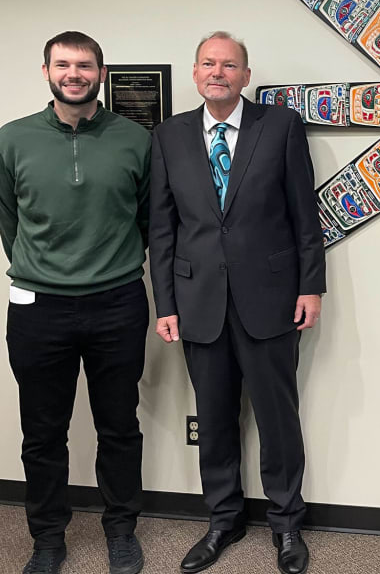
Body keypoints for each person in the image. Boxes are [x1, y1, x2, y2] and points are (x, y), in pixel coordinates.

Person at [149, 31, 325, 574]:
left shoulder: (280, 127)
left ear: (246, 76)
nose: (218, 72)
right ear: (195, 73)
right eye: (208, 63)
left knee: (277, 418)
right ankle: (222, 520)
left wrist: (310, 286)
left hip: (271, 299)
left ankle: (287, 524)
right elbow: (162, 229)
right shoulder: (168, 136)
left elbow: (305, 215)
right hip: (198, 300)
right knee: (215, 418)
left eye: (229, 65)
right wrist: (166, 304)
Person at [0, 31, 151, 574]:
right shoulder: (12, 139)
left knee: (119, 425)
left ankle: (121, 530)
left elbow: (149, 220)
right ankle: (48, 539)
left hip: (117, 302)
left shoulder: (135, 139)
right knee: (42, 431)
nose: (74, 73)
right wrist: (46, 268)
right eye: (63, 65)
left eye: (85, 65)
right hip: (39, 309)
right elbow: (9, 219)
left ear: (101, 73)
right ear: (46, 72)